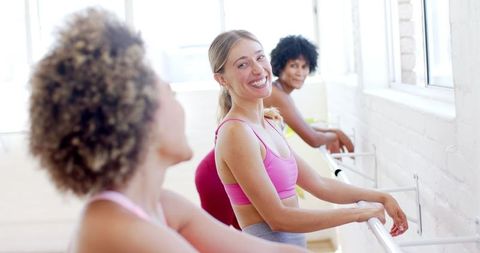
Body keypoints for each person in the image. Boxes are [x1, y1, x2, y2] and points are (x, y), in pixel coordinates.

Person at [28, 9, 309, 253]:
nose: (181, 108)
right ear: (138, 120)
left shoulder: (160, 204)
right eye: (171, 95)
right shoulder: (114, 226)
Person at [206, 30, 408, 247]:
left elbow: (320, 184)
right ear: (221, 79)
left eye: (260, 57)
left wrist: (380, 196)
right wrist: (358, 213)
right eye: (242, 64)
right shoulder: (236, 133)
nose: (257, 69)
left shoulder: (270, 123)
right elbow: (278, 218)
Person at [265, 35, 353, 154]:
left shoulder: (279, 90)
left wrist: (336, 132)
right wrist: (335, 136)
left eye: (304, 66)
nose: (300, 73)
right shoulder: (276, 94)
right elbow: (313, 139)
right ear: (280, 66)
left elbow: (305, 127)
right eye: (293, 66)